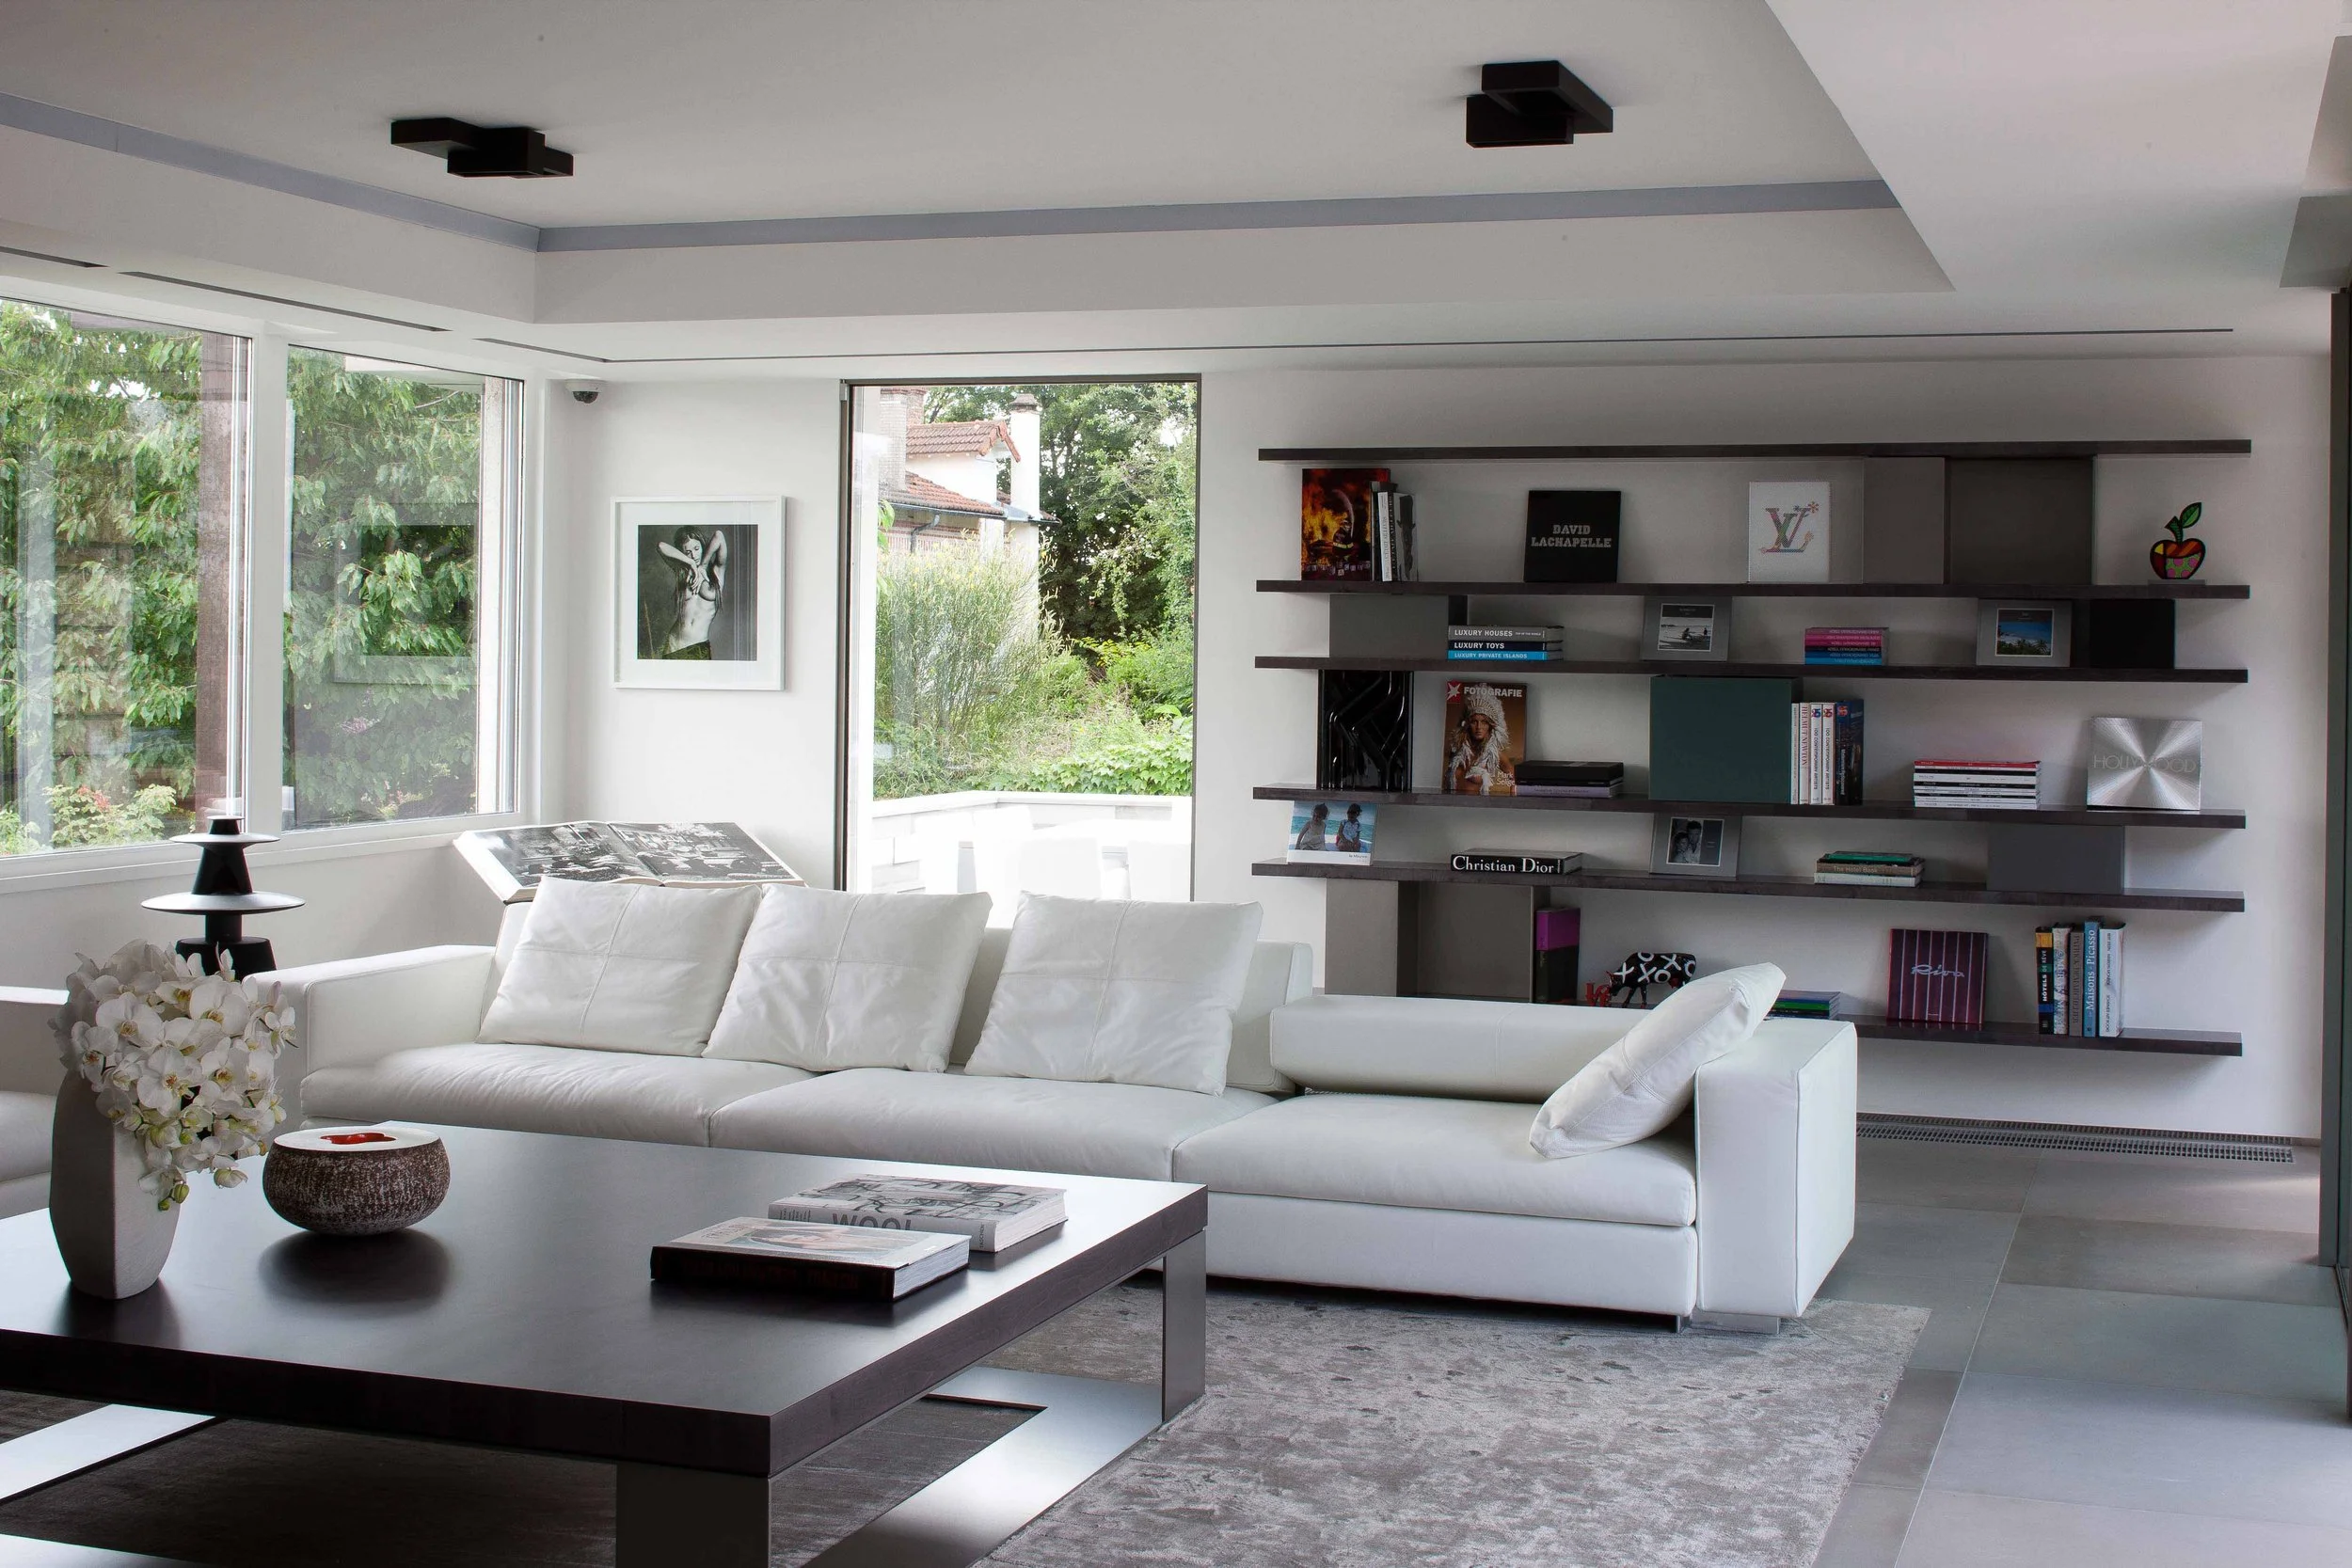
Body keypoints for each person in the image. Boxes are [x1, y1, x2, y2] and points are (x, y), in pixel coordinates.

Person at [657, 528, 727, 657]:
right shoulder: (683, 571)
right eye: (688, 552)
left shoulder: (717, 572)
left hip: (699, 649)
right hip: (674, 647)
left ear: (703, 546)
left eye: (696, 549)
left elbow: (719, 536)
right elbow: (661, 546)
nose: (694, 555)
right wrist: (690, 564)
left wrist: (703, 566)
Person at [1446, 685, 1516, 795]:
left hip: (1478, 808)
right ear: (1468, 724)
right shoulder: (1457, 751)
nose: (1479, 727)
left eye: (1484, 722)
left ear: (1490, 726)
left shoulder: (1495, 754)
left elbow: (1514, 781)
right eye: (1474, 722)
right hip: (1452, 805)